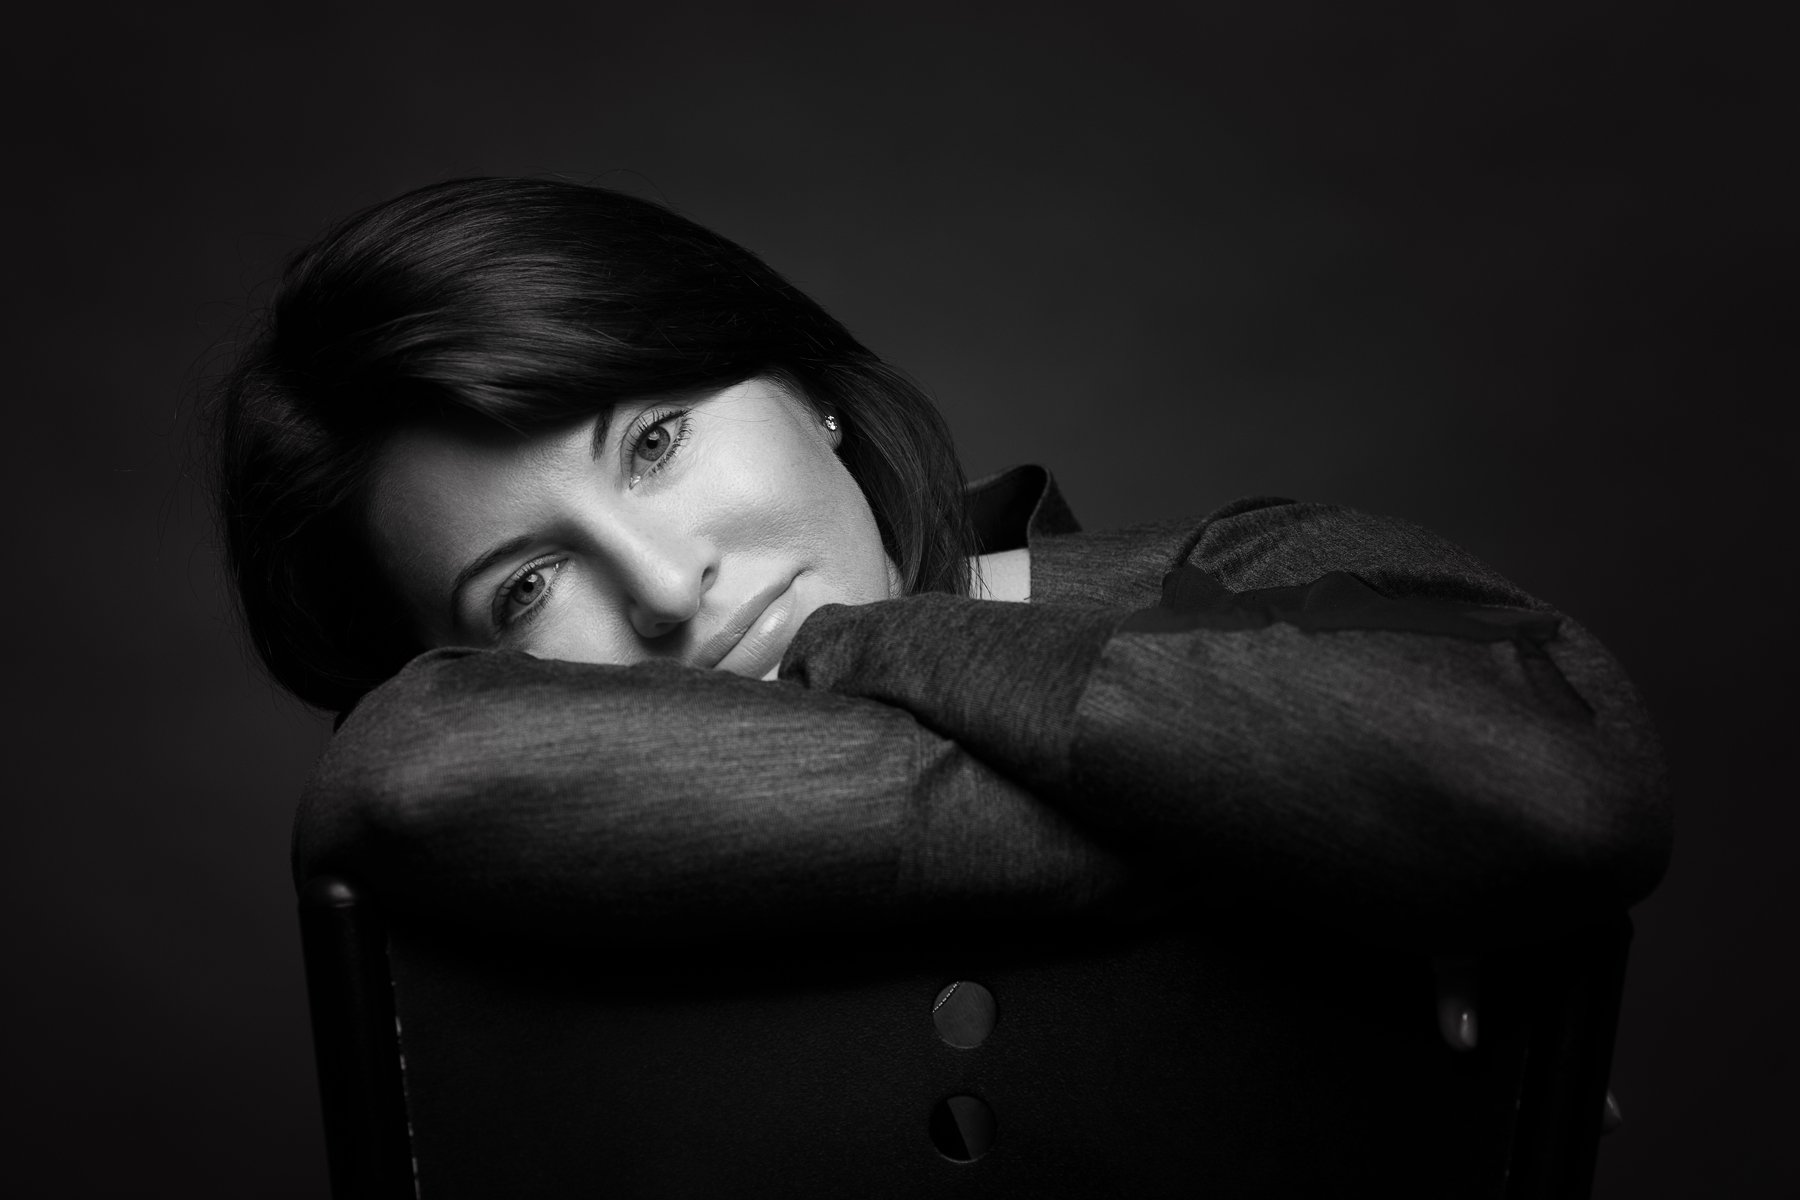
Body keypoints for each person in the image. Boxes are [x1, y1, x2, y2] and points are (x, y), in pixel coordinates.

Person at [215, 177, 1670, 963]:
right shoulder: (481, 797)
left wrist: (874, 641)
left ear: (801, 387)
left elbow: (1548, 786)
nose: (661, 588)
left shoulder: (1261, 570)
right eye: (524, 589)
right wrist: (1295, 841)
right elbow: (405, 774)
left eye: (654, 441)